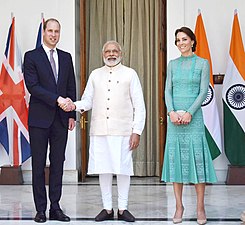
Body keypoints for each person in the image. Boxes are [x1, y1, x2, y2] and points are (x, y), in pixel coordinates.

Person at [61, 40, 146, 222]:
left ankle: (123, 209)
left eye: (115, 51)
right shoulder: (95, 75)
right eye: (107, 51)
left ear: (121, 53)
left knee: (123, 170)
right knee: (104, 169)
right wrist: (73, 105)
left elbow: (140, 106)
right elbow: (87, 101)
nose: (111, 54)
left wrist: (136, 131)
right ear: (103, 54)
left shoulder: (130, 74)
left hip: (123, 131)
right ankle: (107, 208)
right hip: (100, 131)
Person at [161, 27, 217, 225]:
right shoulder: (172, 64)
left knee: (198, 163)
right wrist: (172, 112)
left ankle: (200, 207)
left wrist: (189, 113)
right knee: (176, 162)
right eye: (177, 40)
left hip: (194, 119)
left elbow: (203, 92)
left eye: (184, 39)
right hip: (175, 120)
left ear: (192, 41)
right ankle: (179, 206)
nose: (181, 43)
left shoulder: (202, 63)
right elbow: (168, 90)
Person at [23, 18, 76, 223]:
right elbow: (33, 87)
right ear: (44, 32)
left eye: (57, 31)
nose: (53, 35)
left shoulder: (66, 57)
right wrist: (57, 99)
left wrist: (71, 114)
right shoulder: (32, 56)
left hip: (61, 120)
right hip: (39, 119)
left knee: (57, 165)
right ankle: (41, 210)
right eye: (50, 31)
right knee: (38, 165)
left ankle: (55, 207)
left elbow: (71, 85)